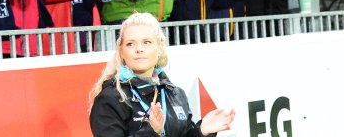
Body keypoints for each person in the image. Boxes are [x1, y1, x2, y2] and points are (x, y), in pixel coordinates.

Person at [88, 11, 235, 137]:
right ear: (121, 51)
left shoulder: (176, 94)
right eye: (130, 44)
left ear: (159, 48)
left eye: (147, 42)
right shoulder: (110, 99)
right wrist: (151, 131)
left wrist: (202, 131)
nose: (139, 49)